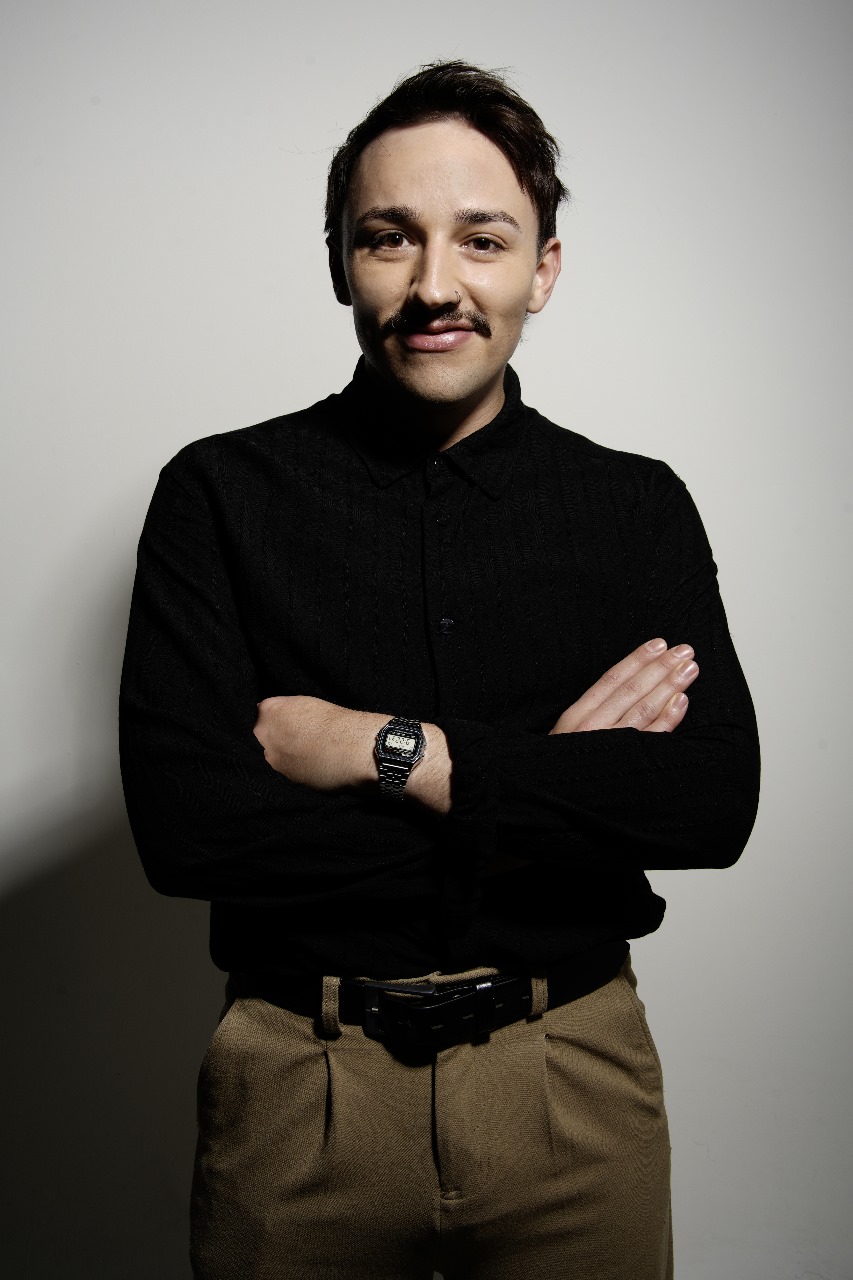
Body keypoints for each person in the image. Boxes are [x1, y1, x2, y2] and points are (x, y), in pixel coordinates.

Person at [119, 61, 759, 1280]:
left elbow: (710, 804)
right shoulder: (217, 495)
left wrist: (389, 753)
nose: (432, 285)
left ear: (542, 269)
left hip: (573, 1081)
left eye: (481, 238)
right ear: (338, 263)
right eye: (387, 238)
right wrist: (556, 790)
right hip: (298, 1090)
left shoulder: (635, 506)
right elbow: (190, 830)